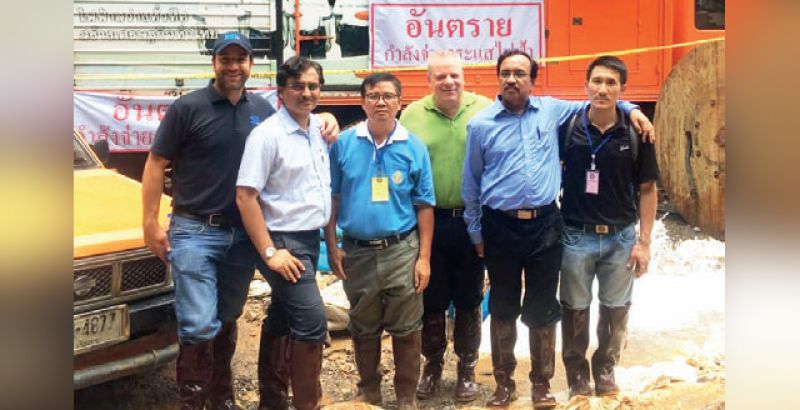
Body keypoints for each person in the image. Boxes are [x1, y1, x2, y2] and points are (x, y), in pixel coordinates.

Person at [141, 32, 337, 409]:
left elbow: (299, 120)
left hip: (242, 235)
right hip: (195, 229)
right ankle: (195, 403)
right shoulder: (188, 108)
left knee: (228, 317)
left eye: (240, 60)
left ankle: (222, 396)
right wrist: (150, 222)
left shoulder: (262, 110)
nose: (233, 67)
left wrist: (324, 117)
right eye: (225, 59)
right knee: (199, 322)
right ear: (213, 63)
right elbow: (155, 164)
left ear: (251, 64)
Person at [461, 49, 655, 409]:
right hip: (499, 226)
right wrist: (476, 234)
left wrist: (633, 109)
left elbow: (601, 100)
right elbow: (471, 185)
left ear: (533, 80)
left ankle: (541, 384)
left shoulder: (552, 111)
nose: (512, 79)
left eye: (520, 73)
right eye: (506, 72)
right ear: (497, 78)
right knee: (502, 306)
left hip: (546, 226)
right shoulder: (481, 124)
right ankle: (504, 384)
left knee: (544, 306)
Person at [324, 72, 435, 410]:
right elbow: (333, 199)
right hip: (356, 252)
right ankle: (369, 391)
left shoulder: (413, 147)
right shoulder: (344, 144)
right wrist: (331, 246)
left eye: (388, 96)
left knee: (406, 326)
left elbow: (424, 205)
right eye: (374, 95)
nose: (381, 102)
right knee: (363, 323)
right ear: (363, 102)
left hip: (402, 250)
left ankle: (405, 396)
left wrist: (424, 258)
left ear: (400, 103)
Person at [558, 56, 659, 399]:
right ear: (585, 86)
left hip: (620, 237)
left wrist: (644, 242)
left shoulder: (637, 132)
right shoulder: (568, 128)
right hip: (575, 235)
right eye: (597, 81)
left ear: (622, 89)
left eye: (611, 83)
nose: (603, 89)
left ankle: (605, 367)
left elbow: (648, 189)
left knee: (617, 307)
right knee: (574, 307)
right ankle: (576, 375)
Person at [236, 56, 331, 410]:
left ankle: (272, 401)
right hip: (281, 240)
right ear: (281, 92)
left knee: (282, 314)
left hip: (308, 238)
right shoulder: (267, 136)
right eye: (297, 86)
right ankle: (308, 404)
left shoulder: (316, 131)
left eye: (312, 86)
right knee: (311, 321)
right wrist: (271, 253)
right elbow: (245, 196)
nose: (306, 93)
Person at [398, 50, 492, 403]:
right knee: (431, 299)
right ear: (429, 81)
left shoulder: (484, 108)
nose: (449, 82)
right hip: (429, 221)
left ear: (464, 76)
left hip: (472, 221)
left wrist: (630, 109)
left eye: (454, 75)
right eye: (441, 77)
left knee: (469, 299)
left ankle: (466, 370)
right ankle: (432, 366)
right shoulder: (412, 115)